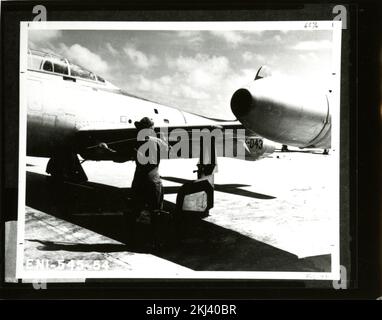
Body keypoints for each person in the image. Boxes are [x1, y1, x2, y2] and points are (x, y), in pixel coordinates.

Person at [131, 117, 169, 215]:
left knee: (138, 205)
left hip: (142, 175)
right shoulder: (156, 140)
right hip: (150, 175)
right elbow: (167, 150)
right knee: (154, 208)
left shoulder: (138, 139)